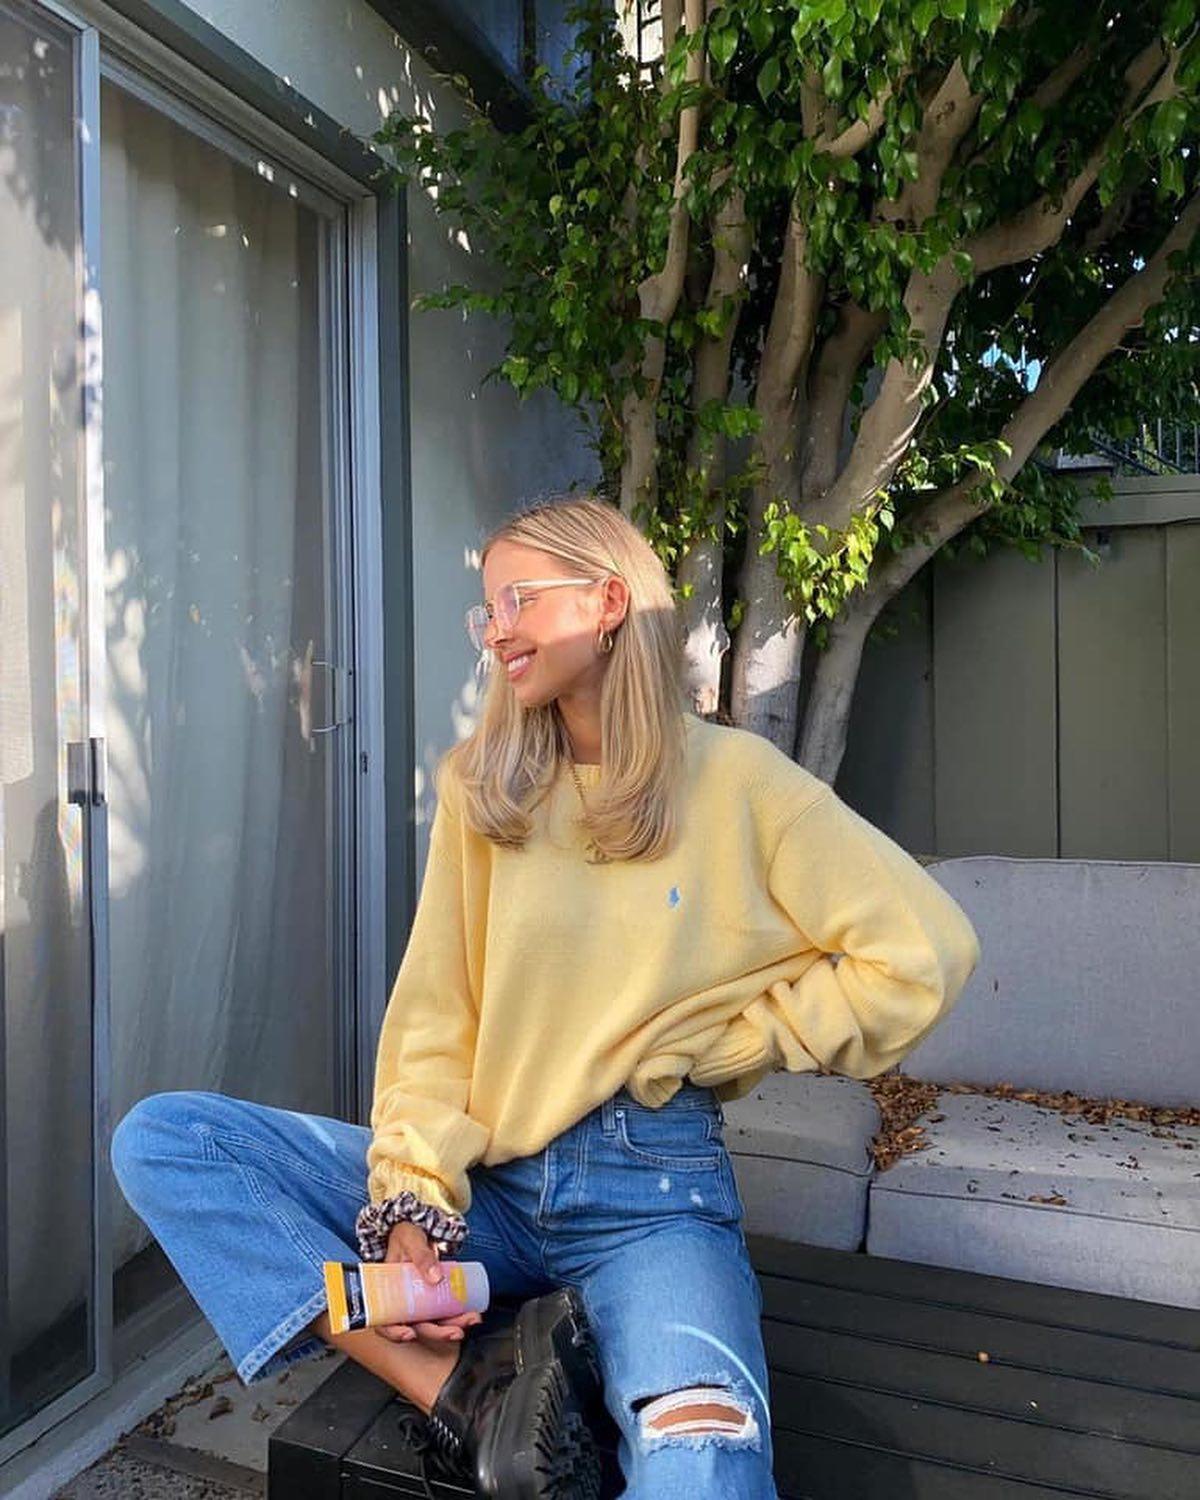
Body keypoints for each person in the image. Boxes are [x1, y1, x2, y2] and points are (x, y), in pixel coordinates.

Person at [111, 494, 982, 1499]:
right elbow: (437, 1020)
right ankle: (459, 1394)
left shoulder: (737, 782)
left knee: (703, 1463)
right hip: (489, 1193)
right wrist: (410, 1208)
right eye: (487, 611)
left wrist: (743, 1043)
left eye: (518, 600)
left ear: (608, 601)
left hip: (650, 1204)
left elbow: (924, 951)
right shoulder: (484, 793)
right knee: (168, 1141)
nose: (497, 632)